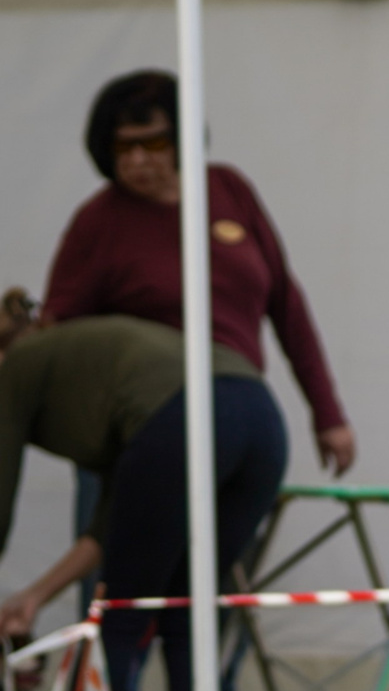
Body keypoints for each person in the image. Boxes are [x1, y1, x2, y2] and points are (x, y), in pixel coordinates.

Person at [0, 295, 288, 691]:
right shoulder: (96, 366)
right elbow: (113, 521)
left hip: (181, 424)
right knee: (187, 616)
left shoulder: (18, 367)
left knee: (118, 620)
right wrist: (34, 596)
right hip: (262, 424)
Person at [44, 70, 356, 476]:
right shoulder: (97, 220)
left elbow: (286, 304)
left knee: (228, 537)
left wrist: (327, 413)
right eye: (124, 146)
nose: (138, 159)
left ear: (182, 139)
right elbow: (59, 328)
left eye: (152, 142)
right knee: (130, 540)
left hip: (235, 411)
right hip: (138, 424)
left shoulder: (229, 190)